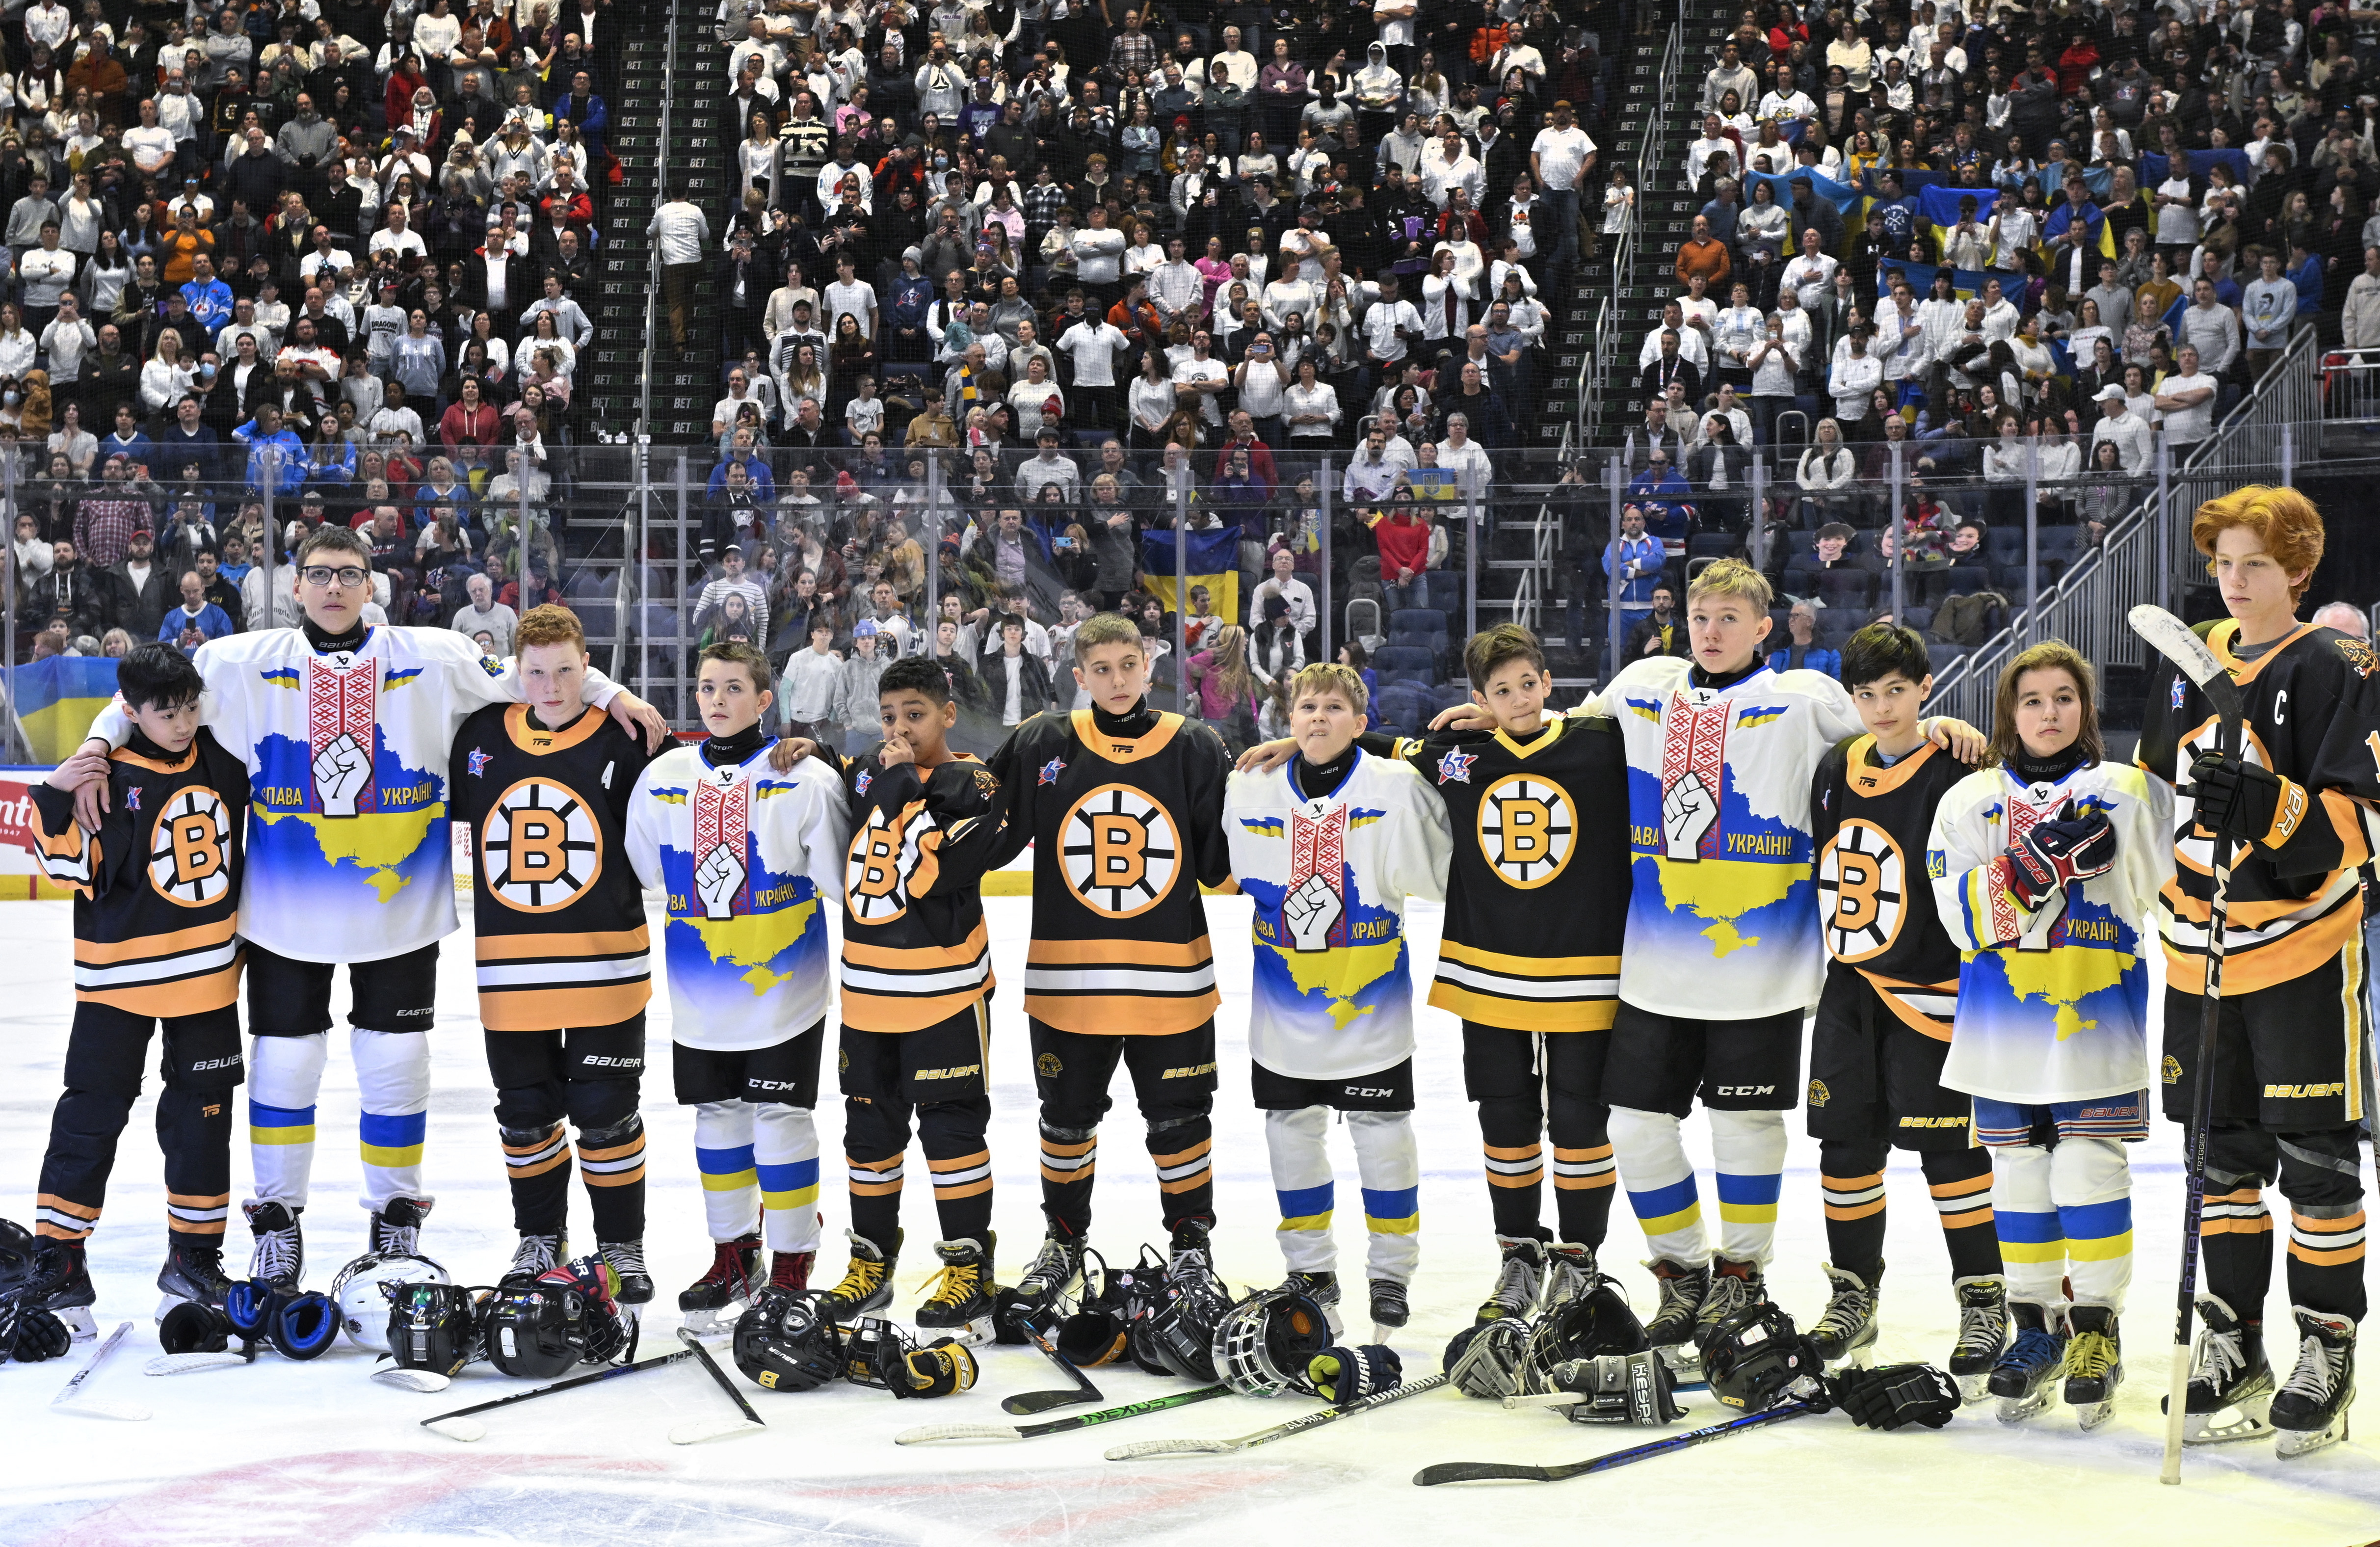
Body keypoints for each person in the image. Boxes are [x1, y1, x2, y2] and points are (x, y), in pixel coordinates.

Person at [56, 524, 664, 1287]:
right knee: (286, 1066)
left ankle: (396, 1216)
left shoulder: (433, 655)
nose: (334, 587)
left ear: (371, 583)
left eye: (348, 573)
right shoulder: (243, 661)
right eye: (318, 573)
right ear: (296, 586)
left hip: (400, 909)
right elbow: (142, 696)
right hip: (282, 913)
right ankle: (277, 1220)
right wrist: (94, 747)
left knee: (395, 1063)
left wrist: (615, 692)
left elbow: (538, 678)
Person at [2136, 486, 2377, 1457]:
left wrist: (2271, 806)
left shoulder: (2338, 666)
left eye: (2257, 568)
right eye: (2224, 566)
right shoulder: (2187, 669)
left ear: (2298, 573)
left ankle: (2327, 1341)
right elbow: (2153, 799)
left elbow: (2356, 830)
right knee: (2218, 1161)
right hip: (2199, 957)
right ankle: (2232, 1343)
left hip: (2302, 952)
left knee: (2315, 1164)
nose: (2234, 584)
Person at [1930, 640, 2168, 1431]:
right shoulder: (1969, 800)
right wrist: (2032, 869)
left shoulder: (2128, 791)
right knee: (2020, 1182)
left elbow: (2175, 888)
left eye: (2064, 697)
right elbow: (1958, 918)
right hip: (2000, 1028)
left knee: (2087, 1173)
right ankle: (2033, 1330)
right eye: (2032, 700)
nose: (2048, 713)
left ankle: (2097, 1330)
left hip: (2095, 1021)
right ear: (2009, 713)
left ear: (2085, 709)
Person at [978, 613, 1236, 1323]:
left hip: (1170, 982)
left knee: (1181, 1123)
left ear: (1148, 667)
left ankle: (1191, 1247)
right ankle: (1062, 1241)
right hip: (1069, 983)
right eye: (1103, 669)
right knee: (1065, 1125)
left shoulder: (1194, 746)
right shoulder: (1044, 742)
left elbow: (1221, 861)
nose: (1118, 680)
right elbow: (985, 832)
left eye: (1129, 665)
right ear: (1079, 675)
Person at [1803, 623, 2010, 1397]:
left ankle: (1981, 1296)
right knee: (1843, 1150)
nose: (1882, 707)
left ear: (1926, 686)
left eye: (1897, 691)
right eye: (1866, 694)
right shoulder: (1834, 765)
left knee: (1952, 1157)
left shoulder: (1960, 768)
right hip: (1850, 988)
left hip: (1933, 996)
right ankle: (1853, 1294)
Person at [1223, 661, 1452, 1330]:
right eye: (1305, 708)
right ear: (1286, 720)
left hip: (1371, 1012)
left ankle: (1390, 1272)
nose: (1317, 717)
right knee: (1290, 1135)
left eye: (1332, 708)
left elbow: (1436, 875)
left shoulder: (1396, 786)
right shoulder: (1252, 786)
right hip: (1282, 1015)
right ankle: (1310, 1269)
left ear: (1361, 721)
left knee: (1384, 1137)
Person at [27, 645, 249, 1334]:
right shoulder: (106, 775)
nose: (181, 723)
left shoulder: (223, 752)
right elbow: (65, 864)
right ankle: (61, 1261)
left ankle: (194, 1260)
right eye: (164, 712)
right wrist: (60, 790)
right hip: (115, 982)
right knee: (89, 1119)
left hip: (208, 978)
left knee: (200, 1126)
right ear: (132, 711)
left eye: (188, 708)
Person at [450, 607, 664, 1300]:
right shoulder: (481, 734)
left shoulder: (626, 734)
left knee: (607, 1114)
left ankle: (621, 1247)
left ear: (588, 664)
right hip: (511, 972)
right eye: (536, 672)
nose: (551, 686)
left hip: (606, 965)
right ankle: (539, 1237)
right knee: (524, 1115)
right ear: (517, 671)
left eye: (567, 671)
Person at [797, 656, 1007, 1337]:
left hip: (945, 994)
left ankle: (969, 1268)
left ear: (947, 714)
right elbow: (849, 800)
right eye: (888, 717)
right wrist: (819, 752)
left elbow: (935, 867)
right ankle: (871, 1264)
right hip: (866, 993)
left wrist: (887, 780)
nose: (900, 728)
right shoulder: (868, 772)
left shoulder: (973, 782)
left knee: (951, 1132)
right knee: (869, 1135)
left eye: (914, 715)